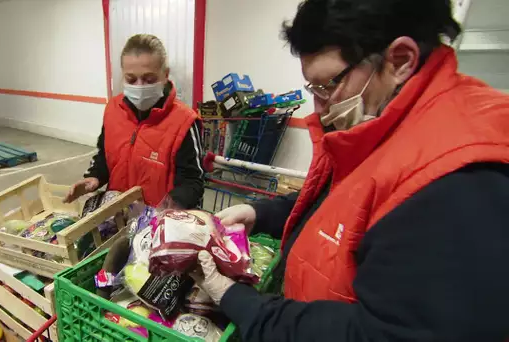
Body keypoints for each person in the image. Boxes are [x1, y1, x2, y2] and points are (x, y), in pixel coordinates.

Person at [191, 0, 509, 341]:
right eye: (312, 89)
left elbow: (382, 333)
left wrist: (242, 302)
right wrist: (260, 212)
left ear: (400, 60)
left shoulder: (458, 180)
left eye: (327, 86)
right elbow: (343, 201)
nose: (321, 108)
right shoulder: (387, 126)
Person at [64, 34, 204, 209]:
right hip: (116, 218)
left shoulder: (184, 121)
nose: (139, 86)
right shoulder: (113, 110)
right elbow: (104, 157)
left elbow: (192, 182)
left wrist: (164, 210)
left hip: (156, 224)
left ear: (165, 75)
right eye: (131, 79)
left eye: (149, 79)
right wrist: (95, 177)